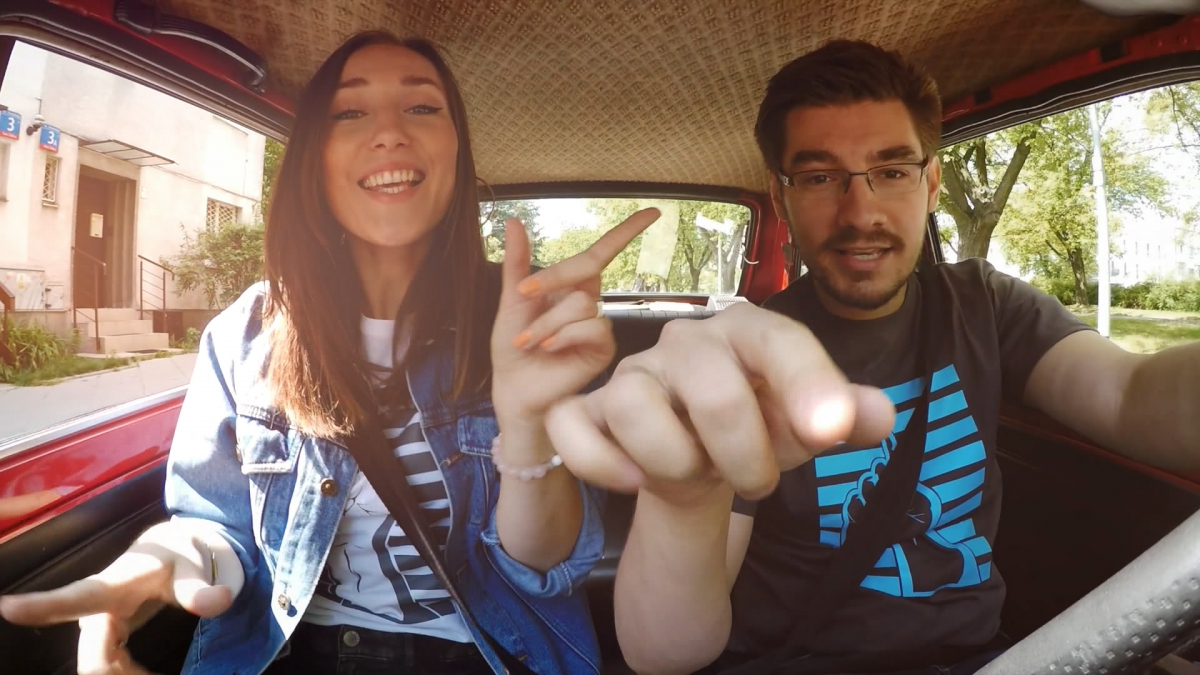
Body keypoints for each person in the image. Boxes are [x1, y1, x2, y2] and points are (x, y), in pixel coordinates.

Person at [0, 31, 656, 675]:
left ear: (457, 149)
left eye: (422, 106)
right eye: (350, 112)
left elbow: (544, 567)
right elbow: (217, 530)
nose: (390, 132)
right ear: (314, 157)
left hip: (481, 653)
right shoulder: (243, 334)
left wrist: (527, 424)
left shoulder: (531, 323)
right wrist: (164, 559)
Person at [544, 39, 1200, 675]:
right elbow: (664, 654)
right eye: (820, 176)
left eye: (891, 171)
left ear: (932, 182)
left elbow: (1129, 394)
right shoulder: (740, 361)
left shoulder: (984, 303)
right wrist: (684, 495)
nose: (861, 212)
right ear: (782, 197)